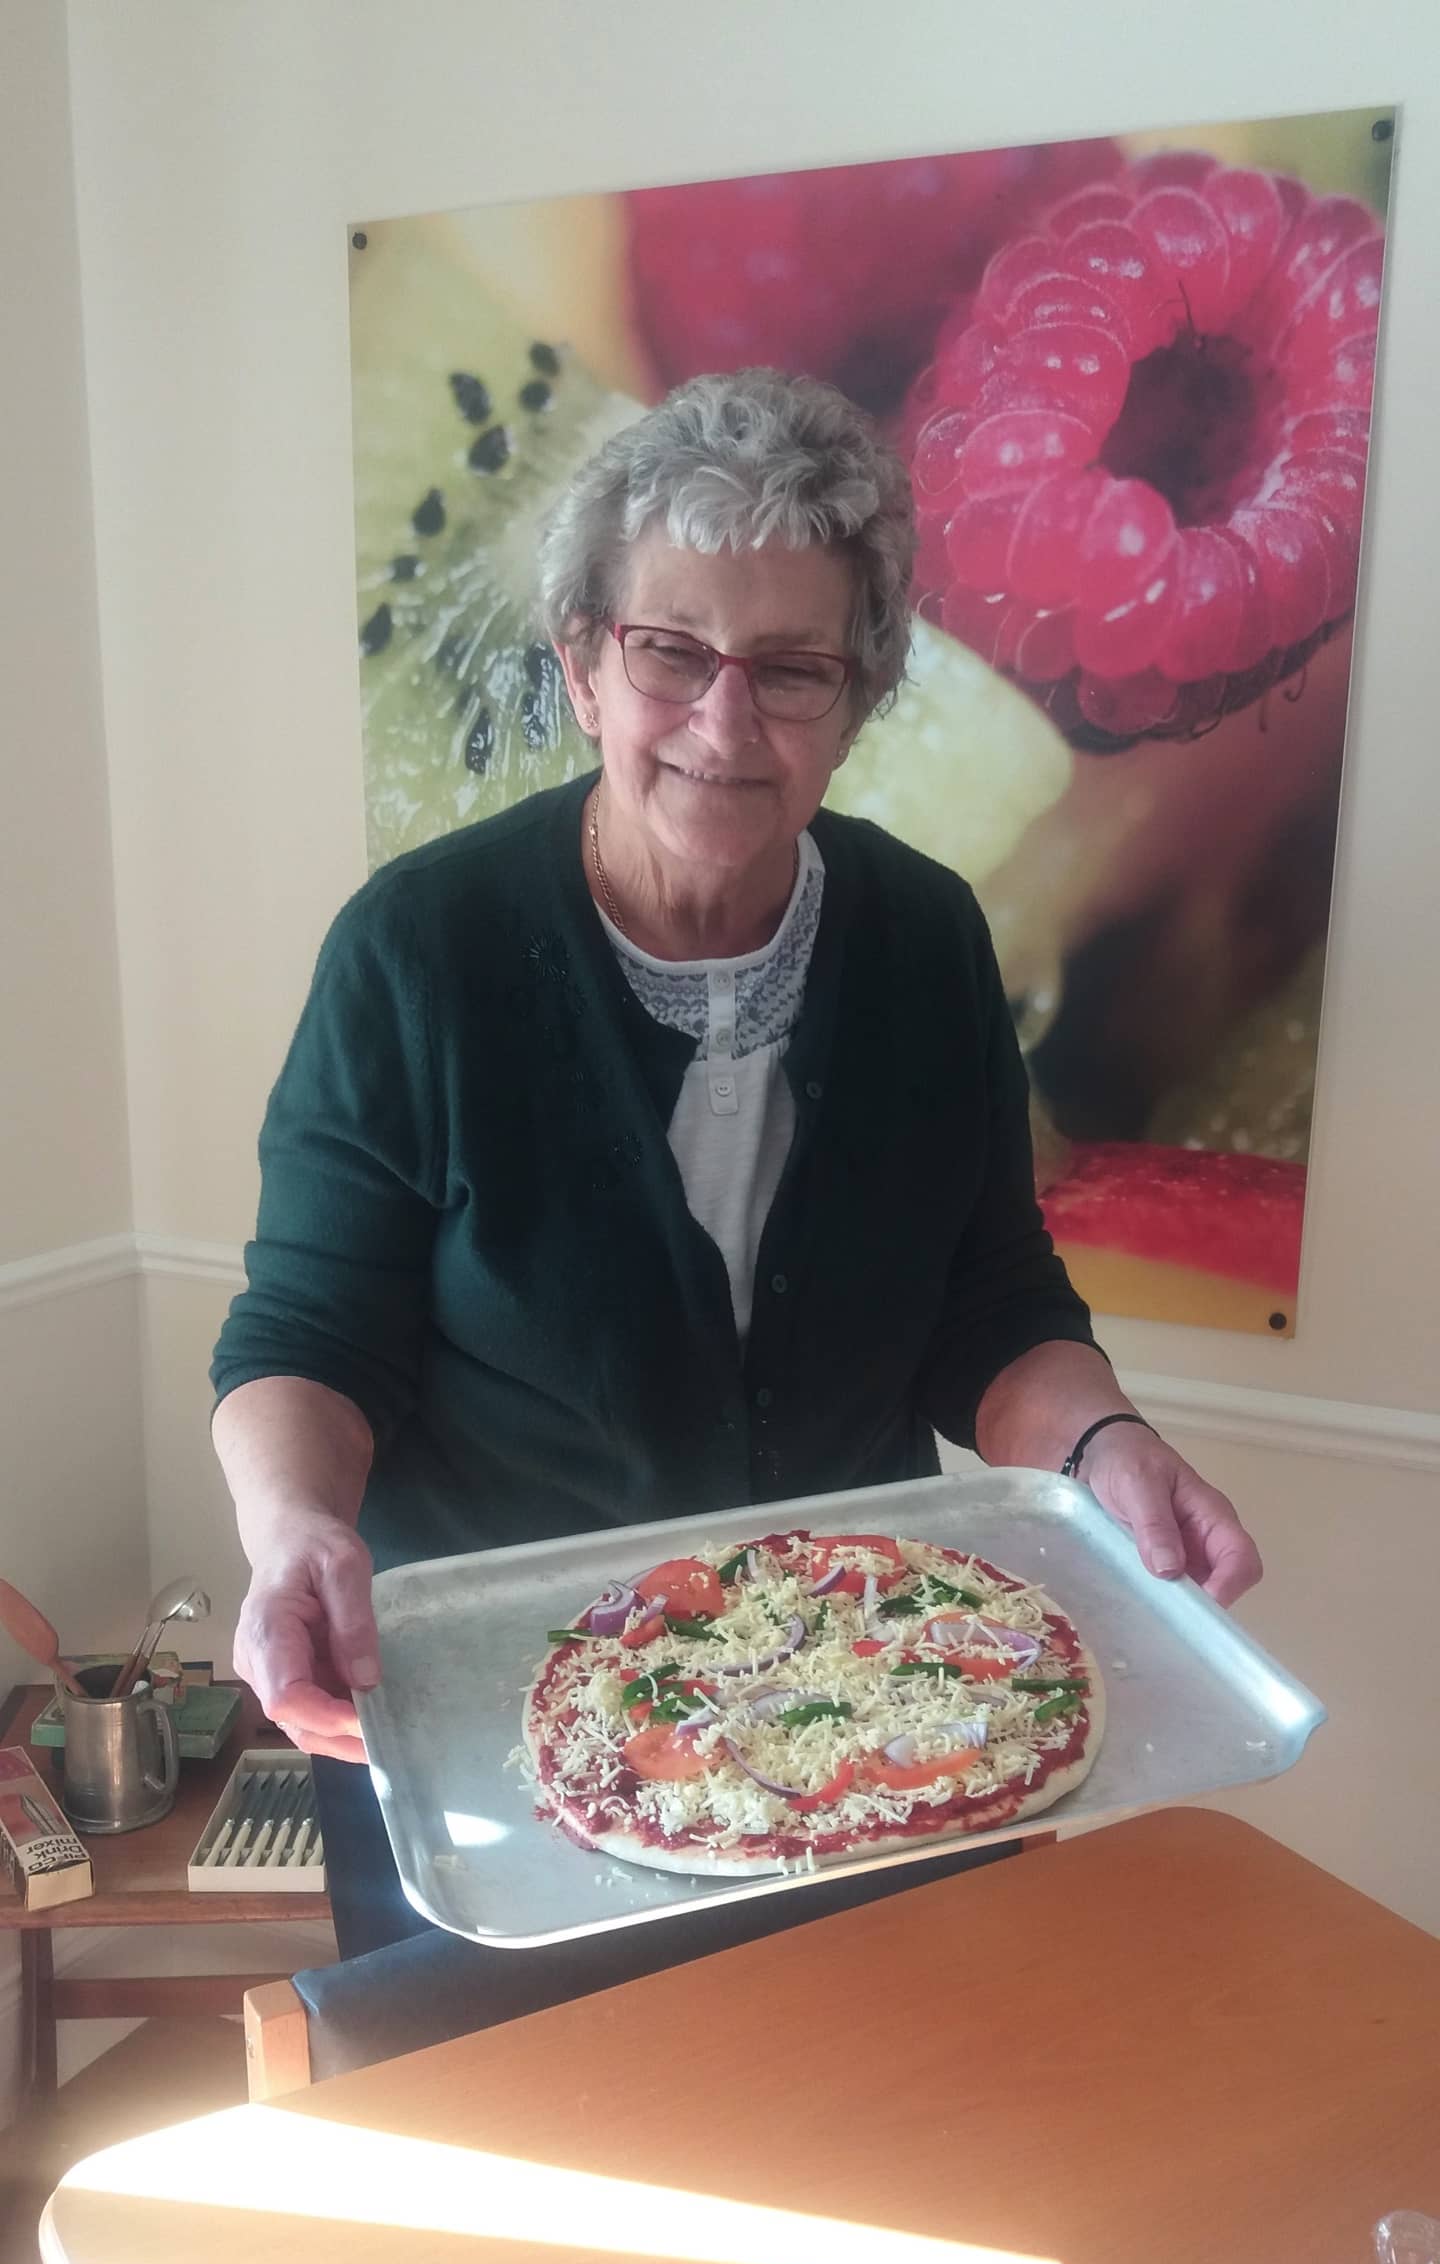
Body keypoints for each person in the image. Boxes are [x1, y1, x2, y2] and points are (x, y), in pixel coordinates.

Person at [211, 368, 1261, 1966]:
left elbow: (987, 1299)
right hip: (503, 1715)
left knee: (874, 2124)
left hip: (871, 1695)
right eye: (671, 654)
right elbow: (307, 1329)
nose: (724, 723)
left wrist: (1106, 1446)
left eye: (790, 672)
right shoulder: (422, 951)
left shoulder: (922, 937)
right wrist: (296, 1534)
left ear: (860, 697)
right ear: (583, 666)